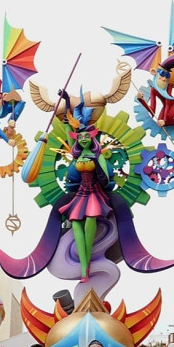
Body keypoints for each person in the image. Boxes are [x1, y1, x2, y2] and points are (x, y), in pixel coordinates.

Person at [58, 94, 115, 281]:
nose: (83, 139)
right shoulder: (77, 156)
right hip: (81, 195)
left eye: (86, 136)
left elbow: (105, 180)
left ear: (92, 138)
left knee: (91, 220)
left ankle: (86, 266)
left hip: (95, 194)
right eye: (79, 137)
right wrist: (66, 100)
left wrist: (97, 164)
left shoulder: (97, 156)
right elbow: (67, 127)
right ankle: (84, 267)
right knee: (75, 224)